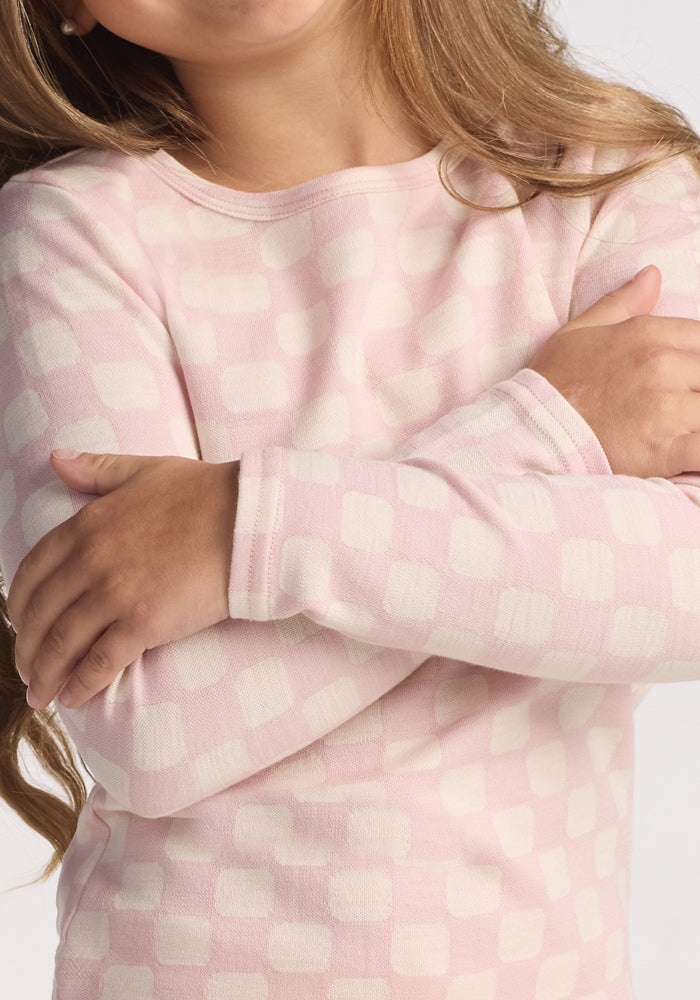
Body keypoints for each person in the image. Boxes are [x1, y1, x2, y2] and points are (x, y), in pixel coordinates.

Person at [0, 0, 699, 997]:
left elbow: (683, 588)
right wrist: (552, 427)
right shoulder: (72, 234)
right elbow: (152, 727)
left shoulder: (605, 185)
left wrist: (243, 527)